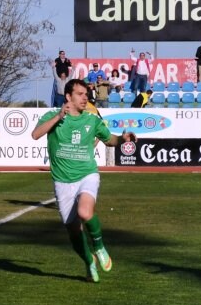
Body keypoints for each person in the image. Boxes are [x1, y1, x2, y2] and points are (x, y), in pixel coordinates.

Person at [31, 79, 137, 283]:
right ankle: (89, 262)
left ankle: (99, 246)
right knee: (73, 231)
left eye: (86, 94)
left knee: (84, 212)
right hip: (62, 181)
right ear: (68, 97)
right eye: (80, 94)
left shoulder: (92, 120)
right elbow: (36, 134)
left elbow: (110, 140)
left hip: (87, 174)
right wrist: (59, 116)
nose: (85, 97)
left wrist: (122, 139)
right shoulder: (52, 116)